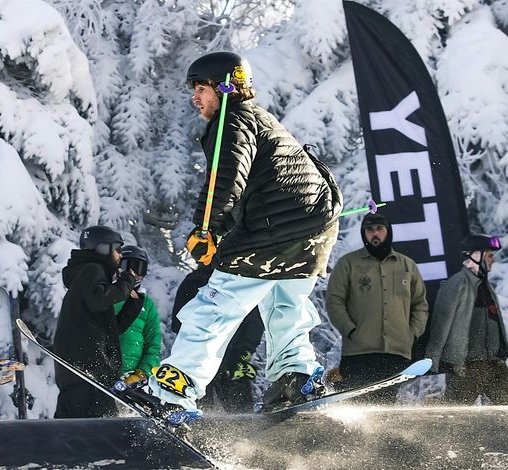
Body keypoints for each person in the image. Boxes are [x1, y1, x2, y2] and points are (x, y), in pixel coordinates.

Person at [146, 51, 342, 416]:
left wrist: (206, 229)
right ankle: (294, 378)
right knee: (284, 304)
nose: (195, 97)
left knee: (215, 304)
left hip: (275, 231)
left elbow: (226, 176)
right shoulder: (262, 120)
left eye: (201, 88)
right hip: (317, 229)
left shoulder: (232, 119)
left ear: (223, 86)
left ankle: (174, 389)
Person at [326, 212, 428, 393]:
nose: (375, 233)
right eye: (369, 230)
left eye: (380, 229)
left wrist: (411, 334)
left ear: (388, 232)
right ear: (363, 233)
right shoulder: (348, 264)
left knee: (387, 406)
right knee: (358, 406)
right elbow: (334, 301)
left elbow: (419, 304)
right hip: (359, 353)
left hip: (396, 353)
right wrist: (351, 330)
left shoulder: (407, 265)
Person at [424, 234, 508, 405]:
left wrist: (501, 355)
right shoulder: (457, 284)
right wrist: (431, 364)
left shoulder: (486, 288)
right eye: (490, 255)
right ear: (475, 255)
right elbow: (440, 326)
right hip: (465, 369)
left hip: (493, 364)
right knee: (457, 418)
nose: (493, 260)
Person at [52, 225, 142, 418]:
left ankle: (54, 447)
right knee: (102, 429)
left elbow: (110, 329)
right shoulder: (92, 270)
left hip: (83, 372)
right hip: (88, 371)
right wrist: (126, 281)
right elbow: (99, 299)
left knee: (70, 427)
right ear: (103, 248)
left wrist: (133, 304)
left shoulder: (86, 277)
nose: (120, 256)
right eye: (117, 249)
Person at [170, 263, 264, 413]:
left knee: (240, 412)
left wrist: (244, 351)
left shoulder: (240, 281)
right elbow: (178, 323)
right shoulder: (194, 280)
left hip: (231, 361)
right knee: (201, 409)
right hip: (201, 361)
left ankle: (248, 430)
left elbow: (254, 322)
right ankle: (196, 429)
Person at [115, 246, 162, 387]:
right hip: (104, 368)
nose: (133, 273)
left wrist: (141, 373)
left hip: (130, 375)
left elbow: (153, 345)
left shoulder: (146, 304)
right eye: (127, 266)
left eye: (139, 268)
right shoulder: (107, 296)